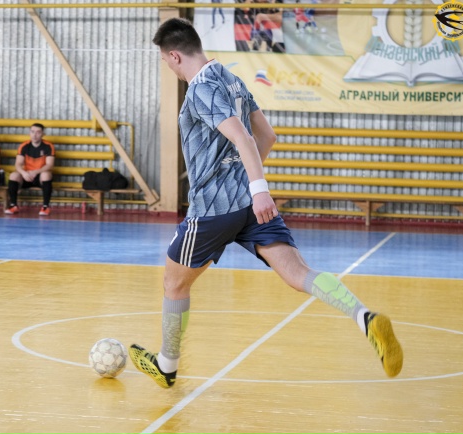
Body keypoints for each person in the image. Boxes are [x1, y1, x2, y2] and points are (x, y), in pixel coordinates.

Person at [129, 18, 403, 389]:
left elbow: (243, 137)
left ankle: (167, 365)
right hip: (247, 203)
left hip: (213, 207)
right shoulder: (231, 79)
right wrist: (249, 186)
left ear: (175, 55)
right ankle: (364, 317)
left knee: (173, 284)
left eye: (165, 61)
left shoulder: (201, 88)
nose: (168, 67)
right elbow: (267, 136)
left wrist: (260, 189)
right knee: (297, 272)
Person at [4, 123, 55, 216]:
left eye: (38, 132)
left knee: (46, 175)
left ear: (43, 134)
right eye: (32, 132)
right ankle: (13, 205)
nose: (35, 135)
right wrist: (24, 173)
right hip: (27, 176)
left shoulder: (48, 146)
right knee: (13, 175)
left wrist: (36, 172)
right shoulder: (24, 146)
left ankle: (45, 207)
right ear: (29, 133)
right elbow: (18, 164)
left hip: (40, 176)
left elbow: (49, 165)